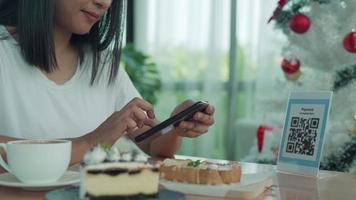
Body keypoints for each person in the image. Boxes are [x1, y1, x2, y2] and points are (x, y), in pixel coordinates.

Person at [0, 0, 215, 173]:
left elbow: (150, 144)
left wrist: (173, 128)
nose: (104, 3)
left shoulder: (102, 64)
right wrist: (91, 142)